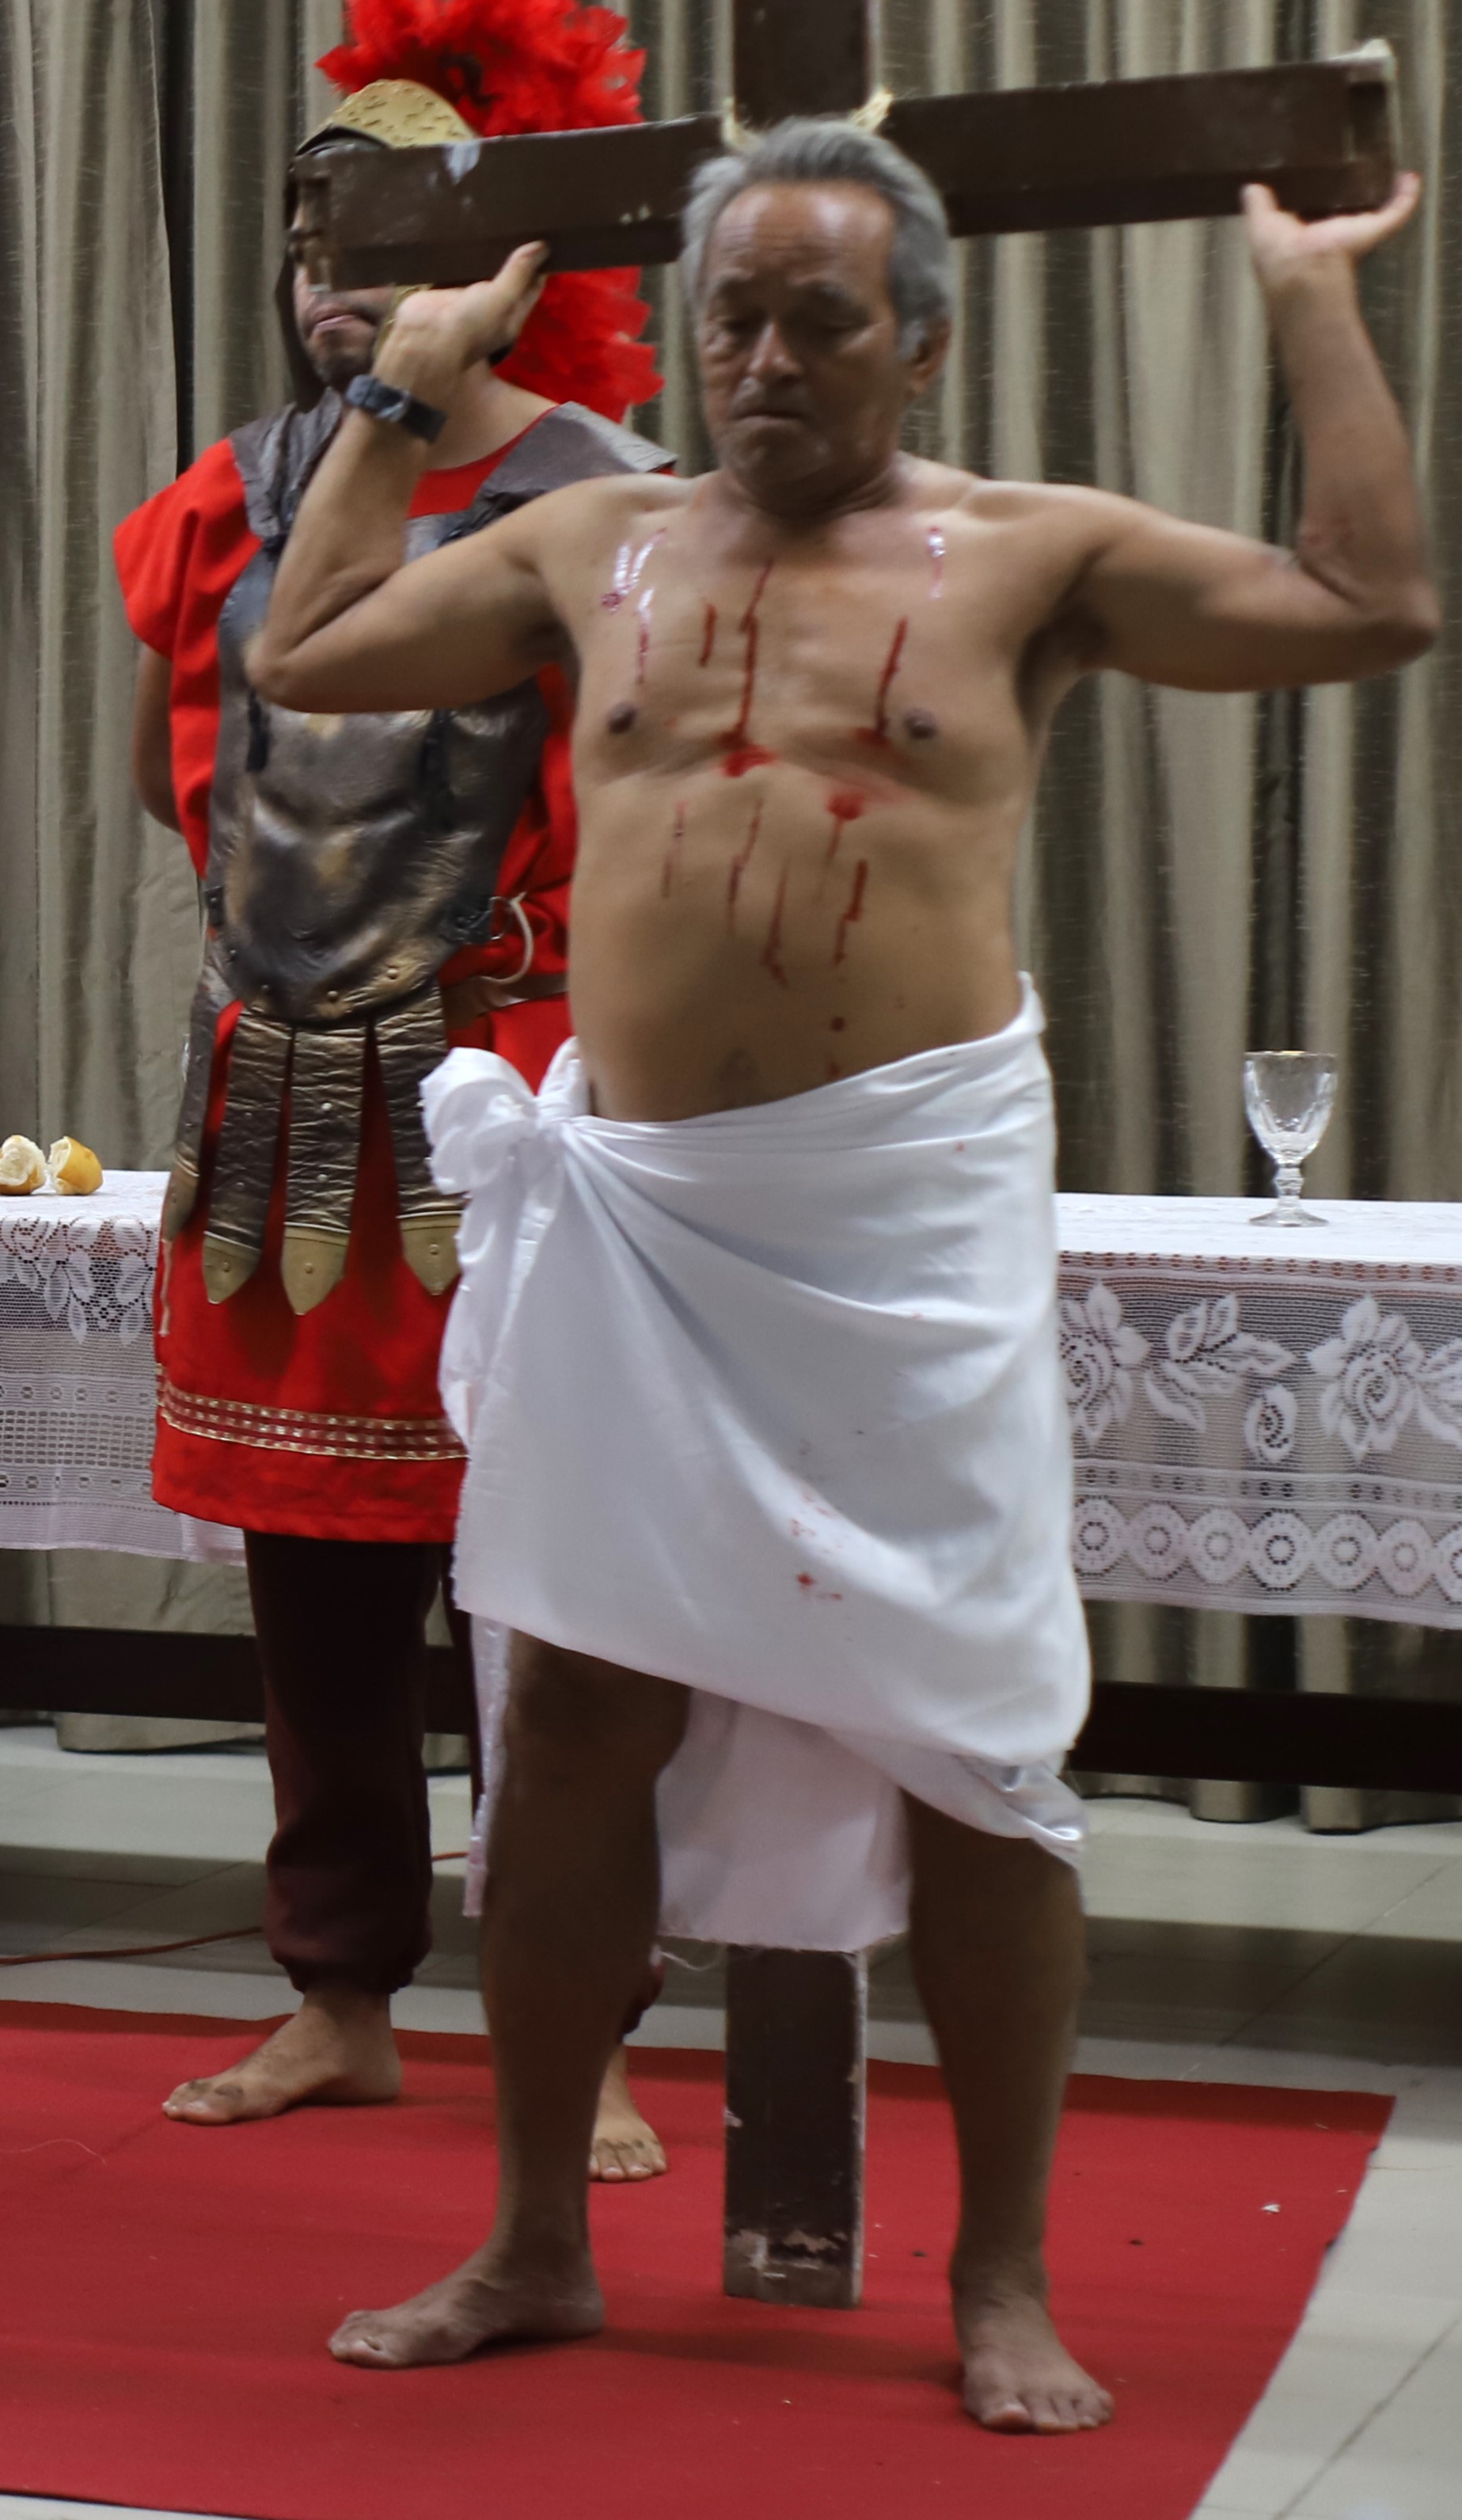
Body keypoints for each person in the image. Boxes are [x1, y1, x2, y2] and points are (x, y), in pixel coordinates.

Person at [254, 123, 1431, 2431]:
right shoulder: (586, 544)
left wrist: (1309, 297)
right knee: (571, 1720)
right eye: (731, 319)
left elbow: (1369, 603)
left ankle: (999, 2272)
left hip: (897, 1229)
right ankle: (532, 2237)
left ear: (922, 336)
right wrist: (402, 396)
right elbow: (298, 649)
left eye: (816, 320)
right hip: (643, 1223)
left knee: (977, 1747)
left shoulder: (1029, 555)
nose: (766, 360)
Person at [118, 0, 670, 2172]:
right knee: (310, 1567)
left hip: (514, 1072)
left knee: (550, 1579)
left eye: (391, 257)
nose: (337, 295)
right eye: (314, 254)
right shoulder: (217, 498)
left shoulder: (600, 497)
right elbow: (201, 780)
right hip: (276, 1078)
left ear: (499, 270)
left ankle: (589, 2016)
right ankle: (339, 1992)